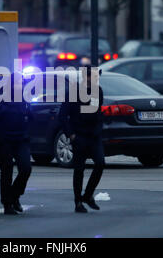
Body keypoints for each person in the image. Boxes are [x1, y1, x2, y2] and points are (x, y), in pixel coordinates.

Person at [59, 65, 105, 213]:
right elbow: (62, 116)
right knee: (79, 170)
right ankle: (78, 201)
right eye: (93, 76)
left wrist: (98, 128)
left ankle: (88, 195)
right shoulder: (73, 92)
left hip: (94, 136)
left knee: (100, 164)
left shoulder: (98, 91)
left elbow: (98, 112)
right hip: (79, 136)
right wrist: (71, 135)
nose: (96, 79)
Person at [0, 72, 32, 215]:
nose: (21, 85)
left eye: (22, 83)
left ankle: (14, 196)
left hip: (21, 139)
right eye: (19, 82)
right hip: (5, 140)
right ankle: (7, 204)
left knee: (26, 168)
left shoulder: (25, 98)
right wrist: (4, 109)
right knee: (6, 172)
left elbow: (31, 116)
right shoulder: (1, 98)